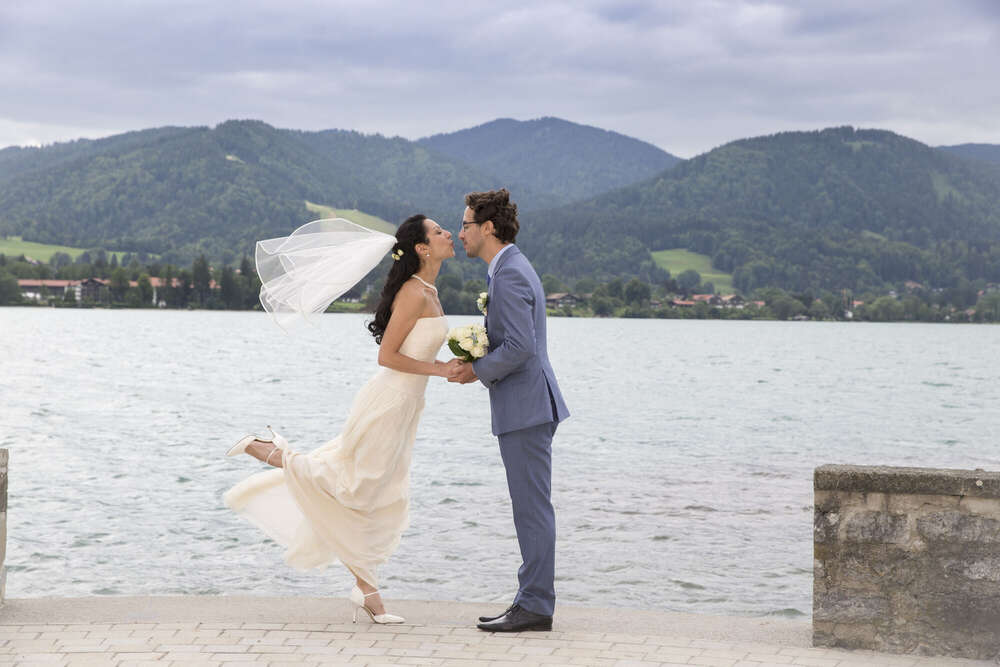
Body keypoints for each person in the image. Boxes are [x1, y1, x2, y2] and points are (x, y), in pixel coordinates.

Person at [224, 214, 458, 624]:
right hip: (388, 401)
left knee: (373, 494)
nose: (448, 234)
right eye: (439, 231)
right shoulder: (413, 293)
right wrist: (440, 371)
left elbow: (415, 352)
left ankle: (367, 591)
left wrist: (451, 366)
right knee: (356, 491)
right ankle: (266, 450)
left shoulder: (430, 290)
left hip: (407, 407)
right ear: (422, 248)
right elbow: (387, 356)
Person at [450, 189, 570, 632]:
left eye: (465, 224)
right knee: (530, 508)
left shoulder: (510, 274)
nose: (459, 232)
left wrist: (476, 370)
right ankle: (529, 598)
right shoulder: (507, 268)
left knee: (532, 510)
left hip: (527, 408)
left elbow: (520, 347)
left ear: (487, 228)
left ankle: (536, 605)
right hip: (526, 407)